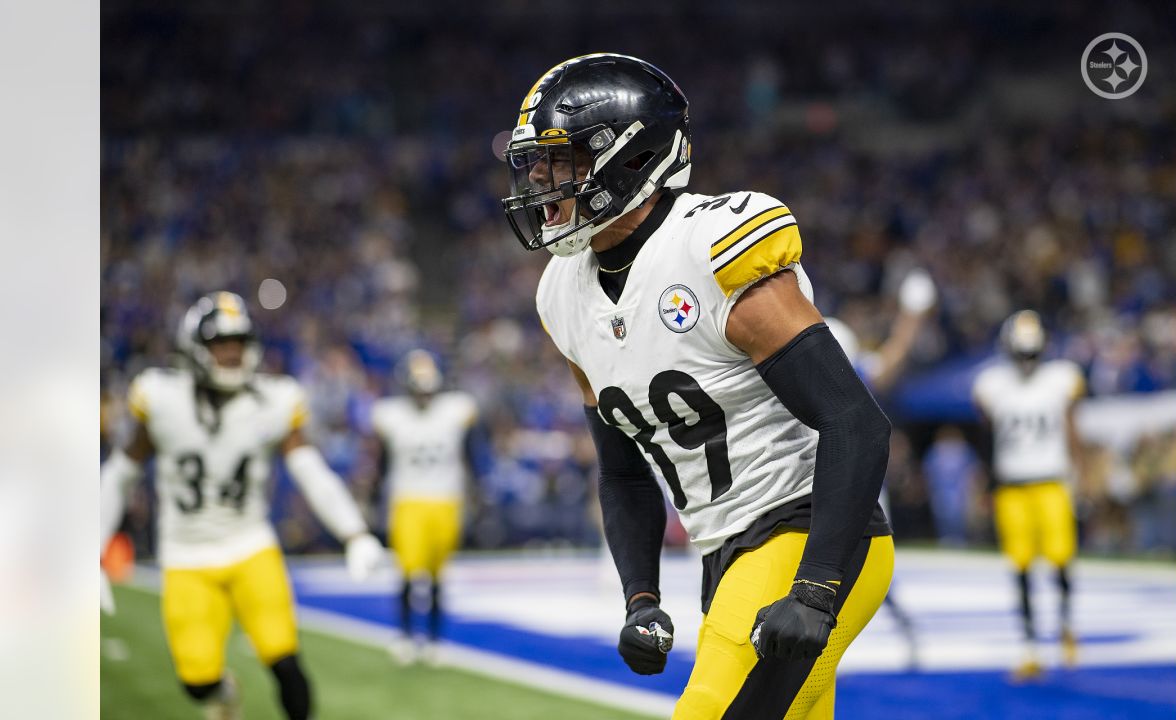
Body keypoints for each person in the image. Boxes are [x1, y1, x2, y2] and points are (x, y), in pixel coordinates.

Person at [501, 53, 894, 719]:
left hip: (806, 531)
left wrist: (816, 589)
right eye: (534, 163)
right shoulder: (562, 294)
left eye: (559, 161)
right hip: (725, 553)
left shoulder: (712, 245)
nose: (540, 181)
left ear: (627, 160)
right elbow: (622, 469)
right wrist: (641, 596)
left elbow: (855, 420)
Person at [100, 292, 387, 720]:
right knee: (198, 680)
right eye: (221, 344)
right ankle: (223, 697)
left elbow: (310, 470)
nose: (232, 353)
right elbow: (122, 472)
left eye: (239, 342)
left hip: (250, 544)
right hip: (185, 554)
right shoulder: (160, 397)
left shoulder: (274, 399)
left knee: (284, 659)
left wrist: (355, 532)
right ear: (195, 347)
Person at [824, 267, 936, 669]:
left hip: (851, 484)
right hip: (827, 483)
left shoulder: (847, 374)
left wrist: (911, 318)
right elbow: (892, 359)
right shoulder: (853, 371)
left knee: (861, 566)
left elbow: (890, 361)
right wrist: (911, 316)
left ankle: (899, 630)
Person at [971, 309, 1085, 680]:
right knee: (1019, 567)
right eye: (1021, 354)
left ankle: (1066, 626)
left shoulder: (1060, 378)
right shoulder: (993, 383)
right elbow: (986, 432)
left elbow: (1071, 426)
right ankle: (1030, 646)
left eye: (1031, 353)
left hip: (1051, 480)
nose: (1026, 362)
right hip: (1012, 487)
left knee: (1060, 561)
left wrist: (1080, 471)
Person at [369, 349, 480, 665]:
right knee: (407, 572)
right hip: (408, 500)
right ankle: (405, 636)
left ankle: (433, 640)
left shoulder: (454, 412)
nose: (423, 396)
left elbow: (470, 455)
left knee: (436, 576)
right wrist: (374, 493)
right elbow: (383, 462)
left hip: (446, 500)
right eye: (418, 389)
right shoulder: (392, 416)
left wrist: (477, 489)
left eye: (427, 389)